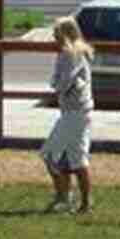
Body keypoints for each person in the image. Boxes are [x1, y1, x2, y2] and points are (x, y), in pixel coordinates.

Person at [40, 16, 94, 214]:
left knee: (50, 155)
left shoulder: (73, 54)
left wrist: (58, 85)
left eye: (56, 33)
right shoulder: (65, 54)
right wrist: (57, 84)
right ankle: (77, 200)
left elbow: (63, 82)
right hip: (72, 111)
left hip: (76, 112)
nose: (54, 37)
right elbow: (57, 80)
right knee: (75, 158)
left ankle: (66, 197)